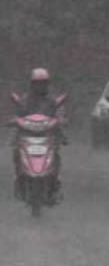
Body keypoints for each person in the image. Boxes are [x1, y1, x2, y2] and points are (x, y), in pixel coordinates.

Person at [11, 67, 67, 198]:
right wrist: (14, 121)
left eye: (43, 83)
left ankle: (55, 179)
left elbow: (60, 114)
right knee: (16, 151)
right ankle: (18, 178)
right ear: (32, 84)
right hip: (27, 134)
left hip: (48, 135)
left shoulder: (52, 101)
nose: (40, 86)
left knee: (56, 153)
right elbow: (17, 115)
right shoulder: (25, 100)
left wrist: (62, 122)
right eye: (37, 83)